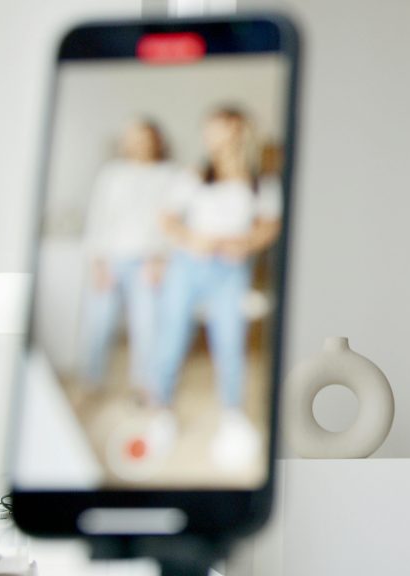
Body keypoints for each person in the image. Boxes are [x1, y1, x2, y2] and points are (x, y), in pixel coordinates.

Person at [154, 106, 282, 471]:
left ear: (239, 131)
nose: (214, 137)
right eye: (209, 130)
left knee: (230, 342)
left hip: (230, 269)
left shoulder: (261, 180)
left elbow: (269, 225)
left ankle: (233, 417)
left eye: (221, 128)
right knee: (171, 339)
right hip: (188, 265)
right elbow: (166, 219)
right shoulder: (194, 175)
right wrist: (191, 238)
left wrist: (246, 243)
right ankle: (161, 411)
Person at [81, 118, 176, 393]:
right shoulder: (111, 174)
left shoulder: (169, 175)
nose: (137, 143)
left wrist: (160, 259)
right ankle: (91, 382)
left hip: (147, 262)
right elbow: (97, 218)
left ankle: (143, 385)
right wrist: (97, 262)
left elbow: (170, 222)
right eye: (132, 138)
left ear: (156, 141)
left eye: (143, 137)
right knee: (99, 325)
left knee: (147, 328)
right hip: (110, 259)